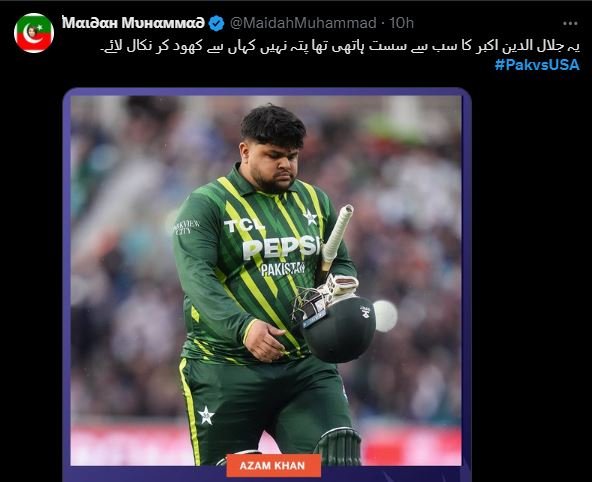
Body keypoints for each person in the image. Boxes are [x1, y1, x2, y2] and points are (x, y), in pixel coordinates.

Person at [172, 104, 364, 466]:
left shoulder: (315, 200)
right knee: (230, 473)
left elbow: (339, 261)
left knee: (336, 462)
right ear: (245, 151)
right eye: (274, 155)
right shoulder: (206, 205)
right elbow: (196, 279)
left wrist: (339, 291)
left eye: (293, 156)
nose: (286, 165)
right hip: (224, 367)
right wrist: (243, 327)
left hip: (305, 366)